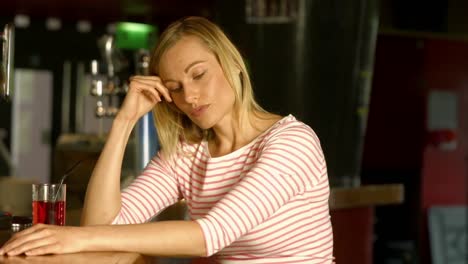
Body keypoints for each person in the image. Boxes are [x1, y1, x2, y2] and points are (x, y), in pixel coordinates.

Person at [0, 16, 334, 263]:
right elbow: (104, 225)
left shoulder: (293, 143)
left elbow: (209, 235)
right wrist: (124, 121)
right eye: (174, 87)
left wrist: (71, 238)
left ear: (232, 64)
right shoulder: (187, 155)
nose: (189, 96)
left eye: (198, 74)